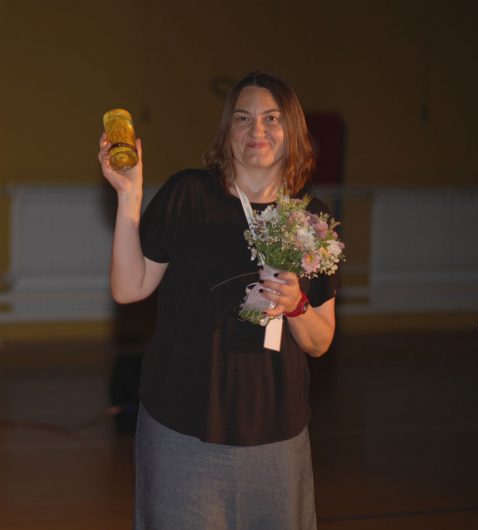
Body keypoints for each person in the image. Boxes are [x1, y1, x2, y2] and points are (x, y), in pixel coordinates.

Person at [99, 71, 339, 529]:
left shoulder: (312, 220)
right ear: (227, 130)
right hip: (182, 432)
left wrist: (296, 304)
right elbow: (129, 288)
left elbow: (319, 341)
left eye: (271, 118)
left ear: (292, 129)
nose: (256, 130)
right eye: (243, 118)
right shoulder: (189, 195)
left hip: (276, 437)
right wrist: (129, 197)